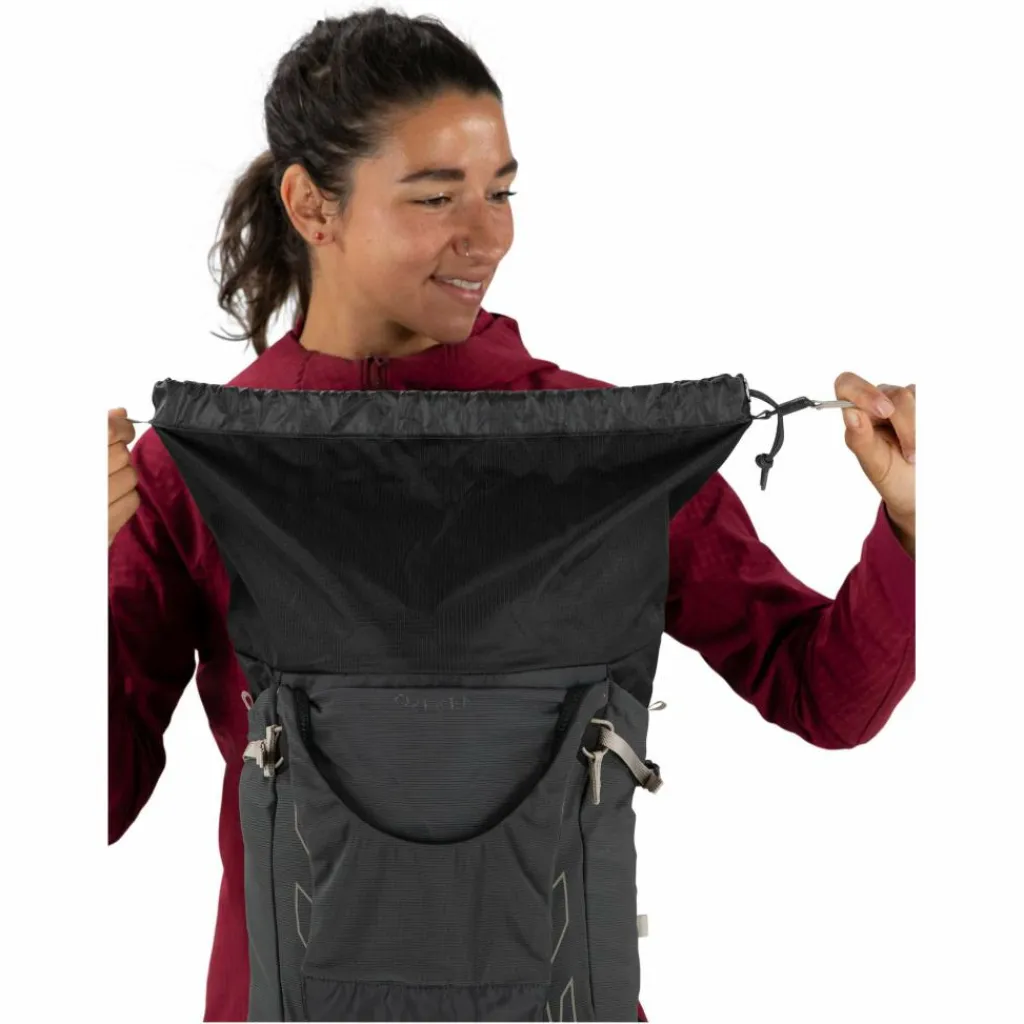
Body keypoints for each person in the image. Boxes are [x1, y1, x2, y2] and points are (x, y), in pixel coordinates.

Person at [107, 9, 917, 1023]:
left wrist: (916, 528)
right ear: (312, 206)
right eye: (435, 195)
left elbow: (823, 692)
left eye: (500, 191)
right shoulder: (195, 472)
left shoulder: (601, 454)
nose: (487, 235)